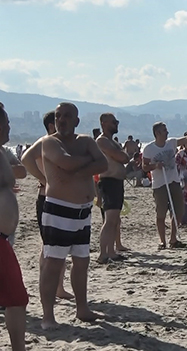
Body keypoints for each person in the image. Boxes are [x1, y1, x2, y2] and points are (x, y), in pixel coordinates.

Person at [40, 102, 108, 329]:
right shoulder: (50, 142)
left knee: (82, 262)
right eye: (58, 115)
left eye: (67, 116)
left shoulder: (86, 141)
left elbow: (104, 163)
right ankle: (48, 316)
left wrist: (79, 167)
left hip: (83, 211)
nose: (62, 119)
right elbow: (66, 164)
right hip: (59, 210)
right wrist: (88, 163)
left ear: (77, 120)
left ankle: (82, 308)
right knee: (53, 264)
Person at [20, 111, 73, 299]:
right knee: (50, 247)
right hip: (47, 198)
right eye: (62, 121)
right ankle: (53, 286)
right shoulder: (46, 142)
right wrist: (44, 179)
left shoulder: (57, 144)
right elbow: (25, 159)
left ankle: (58, 286)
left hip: (58, 198)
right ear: (52, 125)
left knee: (55, 246)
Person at [142, 121, 187, 249]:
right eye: (164, 130)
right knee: (161, 213)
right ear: (157, 133)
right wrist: (155, 166)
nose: (167, 132)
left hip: (174, 181)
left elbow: (186, 139)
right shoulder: (149, 148)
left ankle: (173, 239)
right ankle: (162, 241)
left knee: (178, 211)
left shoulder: (171, 143)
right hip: (160, 184)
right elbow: (144, 167)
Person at [0, 104, 29, 351]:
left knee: (16, 298)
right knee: (16, 298)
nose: (10, 126)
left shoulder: (2, 152)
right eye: (6, 121)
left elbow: (23, 170)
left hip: (3, 238)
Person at [95, 113, 131, 264]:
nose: (116, 124)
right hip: (109, 182)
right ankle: (103, 254)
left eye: (116, 121)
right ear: (104, 123)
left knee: (115, 220)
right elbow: (122, 157)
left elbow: (123, 157)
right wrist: (126, 152)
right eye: (113, 122)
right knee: (109, 220)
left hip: (116, 182)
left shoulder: (111, 141)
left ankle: (111, 251)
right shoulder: (102, 141)